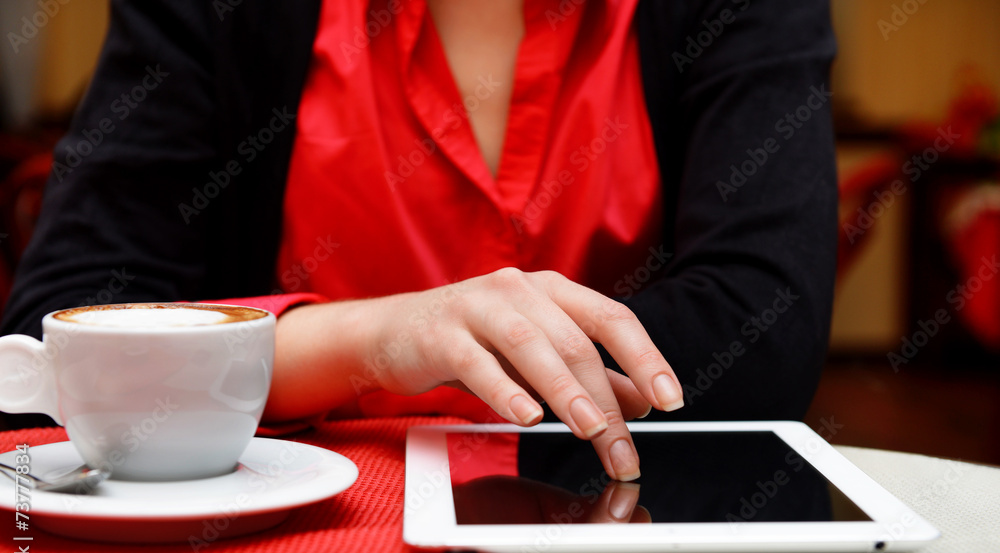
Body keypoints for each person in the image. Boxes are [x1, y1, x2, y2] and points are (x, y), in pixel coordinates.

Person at [0, 0, 838, 482]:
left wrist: (306, 365)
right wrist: (370, 341)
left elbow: (763, 335)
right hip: (272, 544)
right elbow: (57, 332)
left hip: (621, 525)